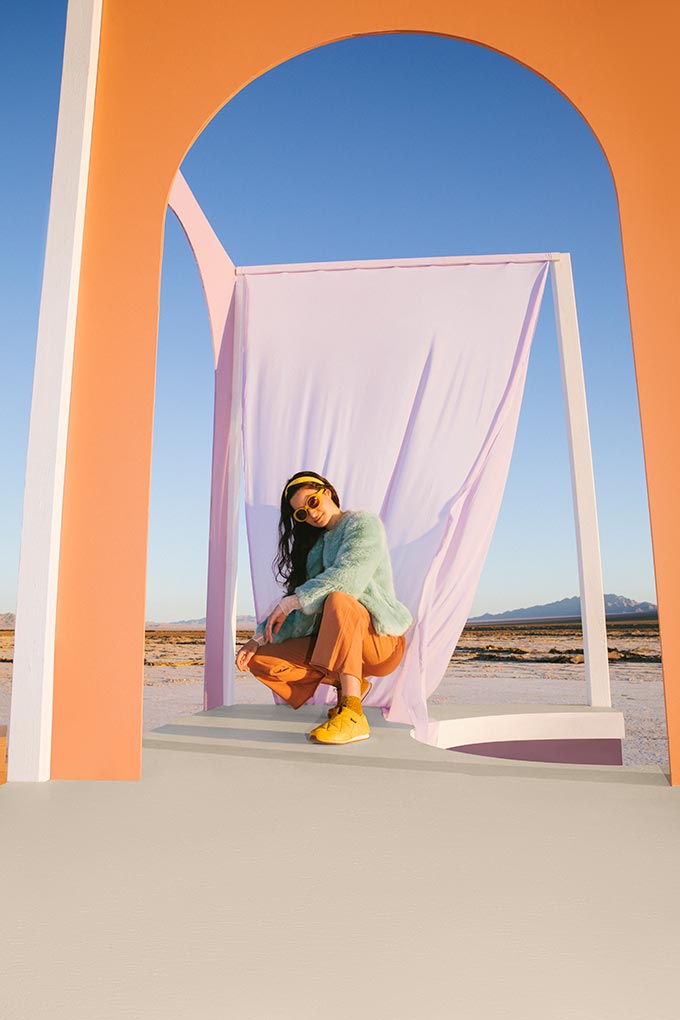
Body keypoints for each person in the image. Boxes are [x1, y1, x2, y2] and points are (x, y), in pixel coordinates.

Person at [235, 470, 413, 744]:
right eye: (302, 513)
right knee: (262, 660)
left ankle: (353, 714)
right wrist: (257, 639)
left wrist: (292, 601)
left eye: (312, 502)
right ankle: (349, 682)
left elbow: (349, 577)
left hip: (380, 641)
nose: (311, 513)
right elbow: (301, 615)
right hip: (344, 644)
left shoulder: (363, 523)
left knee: (339, 598)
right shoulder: (317, 549)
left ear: (326, 492)